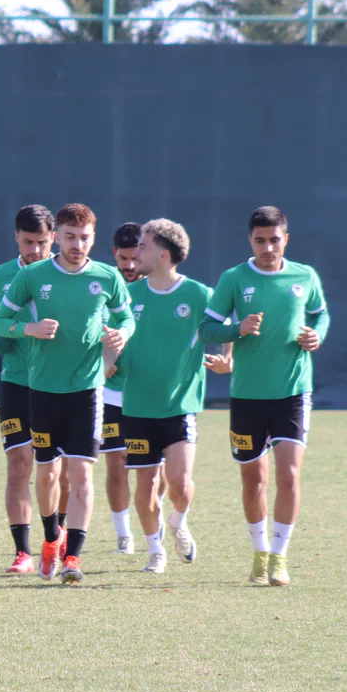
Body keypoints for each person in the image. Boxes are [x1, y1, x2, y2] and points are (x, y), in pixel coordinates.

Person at [0, 203, 135, 585]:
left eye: (84, 237)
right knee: (46, 473)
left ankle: (73, 557)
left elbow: (127, 316)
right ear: (57, 237)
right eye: (70, 236)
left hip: (87, 391)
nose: (77, 244)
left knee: (82, 473)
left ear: (93, 238)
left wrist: (123, 335)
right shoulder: (34, 276)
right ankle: (50, 539)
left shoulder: (107, 277)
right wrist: (30, 329)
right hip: (41, 390)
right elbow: (0, 321)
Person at [200, 206, 328, 587]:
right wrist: (236, 328)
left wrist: (316, 334)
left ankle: (279, 556)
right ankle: (258, 556)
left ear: (285, 239)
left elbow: (321, 315)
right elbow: (207, 328)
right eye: (260, 240)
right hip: (247, 396)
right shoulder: (234, 279)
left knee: (289, 475)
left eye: (275, 240)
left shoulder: (305, 275)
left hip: (292, 393)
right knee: (254, 478)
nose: (268, 248)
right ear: (250, 240)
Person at [122, 219, 230, 573]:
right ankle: (156, 551)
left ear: (164, 255)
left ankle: (178, 522)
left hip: (180, 406)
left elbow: (227, 319)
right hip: (137, 406)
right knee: (146, 486)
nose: (136, 251)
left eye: (144, 246)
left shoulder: (199, 294)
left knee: (181, 485)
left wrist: (227, 358)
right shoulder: (129, 294)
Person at [0, 205, 57, 574]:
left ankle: (54, 540)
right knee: (18, 464)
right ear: (16, 237)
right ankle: (22, 552)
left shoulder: (66, 274)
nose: (35, 251)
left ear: (53, 239)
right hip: (15, 382)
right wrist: (7, 334)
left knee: (54, 468)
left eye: (42, 243)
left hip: (59, 385)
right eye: (29, 242)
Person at [101, 222, 145, 554]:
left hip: (150, 395)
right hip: (111, 392)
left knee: (149, 469)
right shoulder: (104, 287)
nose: (129, 266)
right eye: (123, 258)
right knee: (116, 461)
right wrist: (102, 359)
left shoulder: (161, 288)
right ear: (114, 253)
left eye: (135, 258)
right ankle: (123, 534)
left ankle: (154, 528)